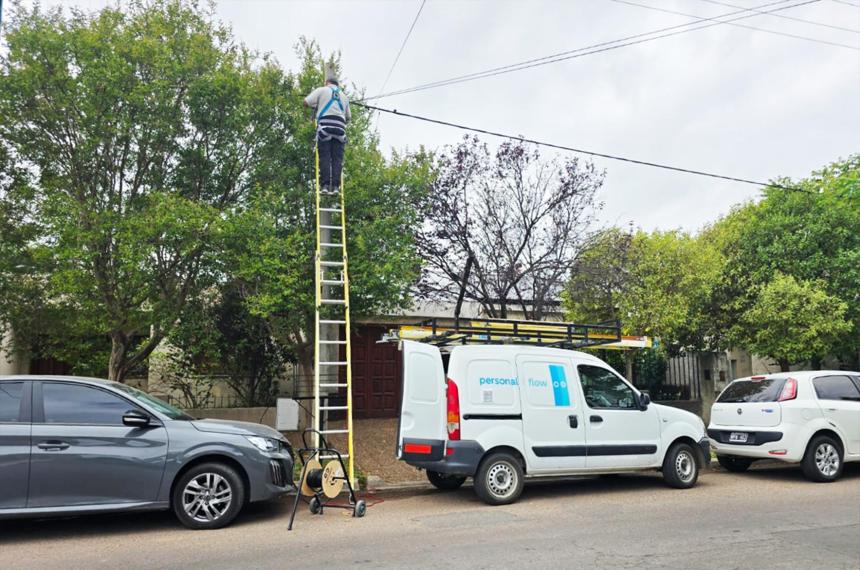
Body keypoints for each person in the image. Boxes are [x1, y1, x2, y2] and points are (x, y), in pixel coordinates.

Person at [304, 71, 351, 194]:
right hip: (340, 130)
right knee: (337, 159)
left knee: (325, 157)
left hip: (325, 127)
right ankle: (336, 187)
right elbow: (348, 117)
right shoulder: (344, 96)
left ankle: (325, 186)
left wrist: (317, 105)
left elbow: (306, 102)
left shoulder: (322, 90)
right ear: (337, 85)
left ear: (327, 83)